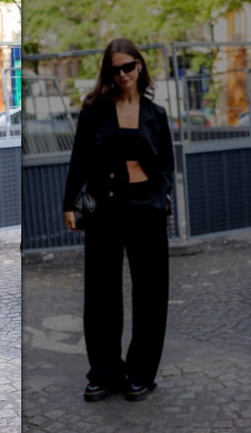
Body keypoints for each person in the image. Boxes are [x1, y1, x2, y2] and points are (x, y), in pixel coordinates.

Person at [63, 38, 174, 402]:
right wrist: (69, 204)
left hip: (147, 209)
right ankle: (104, 373)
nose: (123, 74)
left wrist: (162, 200)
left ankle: (140, 373)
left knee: (151, 295)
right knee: (100, 295)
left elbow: (167, 167)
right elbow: (79, 159)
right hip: (106, 209)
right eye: (115, 69)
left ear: (140, 66)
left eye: (128, 66)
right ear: (107, 73)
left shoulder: (156, 115)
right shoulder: (95, 109)